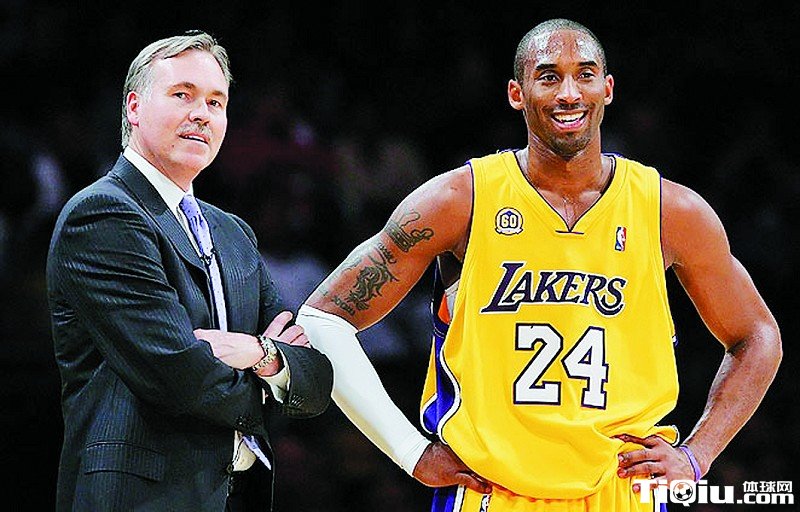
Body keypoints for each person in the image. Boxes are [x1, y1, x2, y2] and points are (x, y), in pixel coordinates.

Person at [296, 18, 782, 511]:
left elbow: (758, 335)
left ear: (607, 89)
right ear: (517, 93)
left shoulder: (670, 212)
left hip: (620, 490)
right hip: (492, 489)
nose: (569, 93)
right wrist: (409, 451)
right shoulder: (459, 200)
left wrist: (697, 456)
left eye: (585, 75)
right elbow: (322, 318)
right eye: (549, 77)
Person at [47, 31, 333, 511]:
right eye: (183, 95)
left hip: (235, 496)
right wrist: (272, 380)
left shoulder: (234, 233)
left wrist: (258, 352)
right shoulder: (103, 215)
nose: (202, 113)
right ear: (134, 107)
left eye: (216, 102)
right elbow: (178, 375)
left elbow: (317, 378)